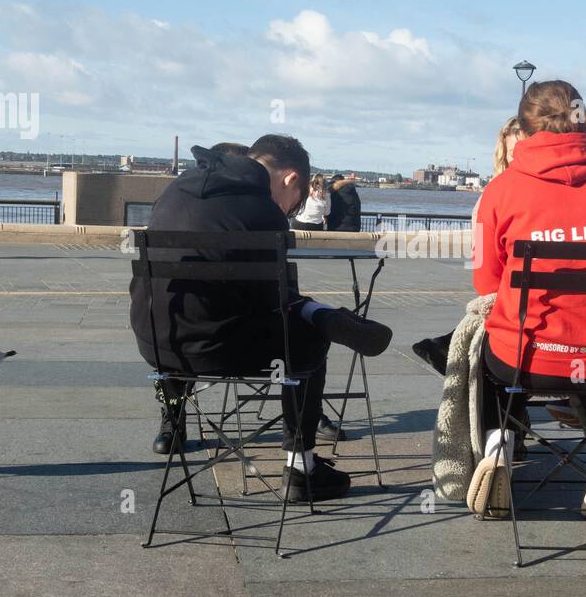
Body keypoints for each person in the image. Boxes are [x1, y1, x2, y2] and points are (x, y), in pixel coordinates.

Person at [129, 136, 394, 501]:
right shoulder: (261, 212)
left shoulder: (176, 190)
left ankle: (318, 314)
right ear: (289, 180)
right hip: (219, 349)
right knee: (305, 339)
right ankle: (302, 470)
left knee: (283, 313)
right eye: (295, 203)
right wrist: (300, 307)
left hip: (157, 344)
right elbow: (270, 304)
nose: (287, 211)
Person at [467, 79, 586, 519]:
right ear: (582, 117)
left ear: (526, 127)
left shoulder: (502, 189)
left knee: (493, 351)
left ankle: (499, 449)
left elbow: (487, 283)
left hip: (528, 356)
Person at [413, 115, 525, 375]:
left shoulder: (498, 194)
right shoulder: (497, 193)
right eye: (512, 154)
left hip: (517, 321)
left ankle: (449, 348)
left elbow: (486, 280)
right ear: (503, 155)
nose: (517, 159)